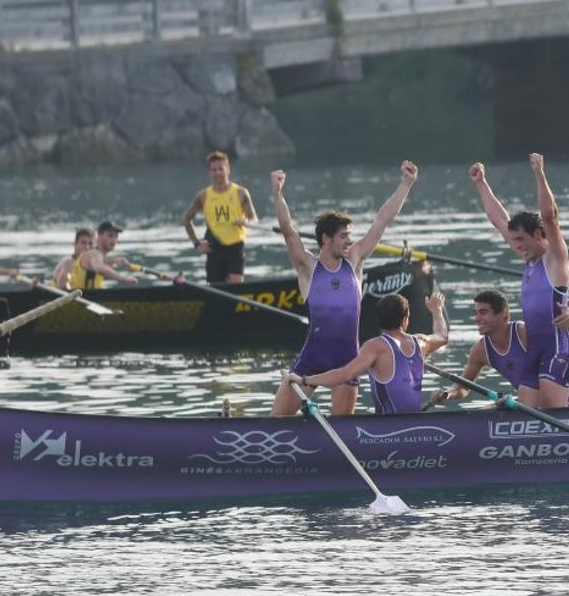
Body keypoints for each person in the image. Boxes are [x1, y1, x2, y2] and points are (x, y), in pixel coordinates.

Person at [271, 161, 419, 416]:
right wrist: (277, 194)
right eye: (343, 236)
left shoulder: (355, 260)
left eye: (350, 236)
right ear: (325, 239)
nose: (350, 241)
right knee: (275, 424)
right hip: (311, 359)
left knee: (341, 431)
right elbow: (288, 231)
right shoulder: (308, 267)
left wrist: (406, 184)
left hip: (347, 362)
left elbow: (382, 220)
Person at [471, 153, 569, 408]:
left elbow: (550, 216)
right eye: (513, 240)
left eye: (521, 240)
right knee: (526, 416)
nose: (515, 246)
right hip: (535, 351)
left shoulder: (554, 258)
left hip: (556, 347)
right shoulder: (527, 258)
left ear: (539, 234)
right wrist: (481, 184)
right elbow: (499, 220)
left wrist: (539, 173)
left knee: (557, 415)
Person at [285, 293, 448, 414]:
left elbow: (345, 374)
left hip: (385, 433)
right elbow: (442, 336)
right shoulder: (421, 343)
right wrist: (436, 310)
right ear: (405, 320)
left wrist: (304, 379)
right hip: (416, 427)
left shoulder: (375, 347)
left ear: (379, 320)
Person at [429, 289, 569, 406]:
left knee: (497, 407)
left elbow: (566, 330)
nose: (476, 318)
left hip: (557, 407)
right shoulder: (480, 350)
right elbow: (462, 388)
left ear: (502, 314)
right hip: (526, 406)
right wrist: (447, 393)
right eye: (475, 313)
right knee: (491, 409)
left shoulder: (525, 333)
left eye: (483, 312)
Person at [182, 151, 258, 284]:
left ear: (228, 169)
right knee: (215, 288)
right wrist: (196, 243)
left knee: (236, 287)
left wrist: (246, 221)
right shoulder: (203, 196)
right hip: (213, 248)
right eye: (213, 170)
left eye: (220, 169)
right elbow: (187, 220)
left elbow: (254, 219)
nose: (217, 173)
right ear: (209, 172)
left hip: (235, 247)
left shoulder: (240, 192)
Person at [68, 220, 137, 289]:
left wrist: (113, 262)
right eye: (110, 235)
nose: (114, 240)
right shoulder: (94, 253)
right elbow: (99, 268)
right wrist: (125, 278)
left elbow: (100, 271)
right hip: (83, 297)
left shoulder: (95, 255)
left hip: (87, 295)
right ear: (99, 235)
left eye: (116, 236)